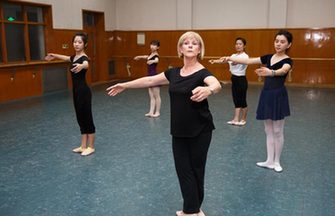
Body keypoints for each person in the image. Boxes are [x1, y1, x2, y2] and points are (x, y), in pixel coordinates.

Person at [107, 31, 221, 216]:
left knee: (196, 169)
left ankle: (191, 210)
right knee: (183, 169)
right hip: (179, 130)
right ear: (180, 49)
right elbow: (150, 80)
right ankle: (193, 209)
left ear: (200, 49)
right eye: (186, 43)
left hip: (201, 129)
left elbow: (216, 84)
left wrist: (209, 90)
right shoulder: (173, 73)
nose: (190, 45)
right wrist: (125, 85)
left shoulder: (203, 73)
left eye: (194, 43)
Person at [222, 30, 293, 172]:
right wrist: (230, 58)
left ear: (288, 44)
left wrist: (270, 72)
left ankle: (277, 161)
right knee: (268, 130)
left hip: (278, 95)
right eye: (277, 41)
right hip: (266, 95)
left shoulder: (287, 60)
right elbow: (249, 60)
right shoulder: (268, 57)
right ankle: (269, 160)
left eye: (282, 42)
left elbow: (283, 71)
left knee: (278, 130)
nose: (278, 44)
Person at [45, 32, 96, 156]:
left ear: (85, 44)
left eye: (79, 42)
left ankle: (91, 146)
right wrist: (54, 55)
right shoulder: (74, 57)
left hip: (84, 92)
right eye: (75, 42)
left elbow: (86, 64)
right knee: (80, 118)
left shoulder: (84, 57)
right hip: (76, 92)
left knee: (87, 117)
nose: (77, 44)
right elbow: (66, 57)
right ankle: (83, 146)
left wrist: (82, 66)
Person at [209, 37, 249, 126]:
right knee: (236, 99)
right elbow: (225, 61)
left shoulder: (245, 56)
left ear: (244, 46)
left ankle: (243, 119)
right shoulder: (233, 55)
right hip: (234, 79)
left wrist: (228, 58)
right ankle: (235, 119)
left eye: (240, 44)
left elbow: (234, 62)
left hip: (241, 80)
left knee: (242, 101)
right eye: (236, 44)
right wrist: (214, 61)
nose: (238, 46)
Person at [134, 40, 161, 117]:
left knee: (157, 96)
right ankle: (151, 112)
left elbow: (156, 60)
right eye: (151, 44)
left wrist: (152, 61)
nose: (152, 46)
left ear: (158, 47)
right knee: (151, 96)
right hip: (149, 76)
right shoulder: (151, 54)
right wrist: (139, 57)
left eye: (155, 45)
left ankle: (157, 112)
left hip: (154, 77)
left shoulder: (156, 55)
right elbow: (146, 56)